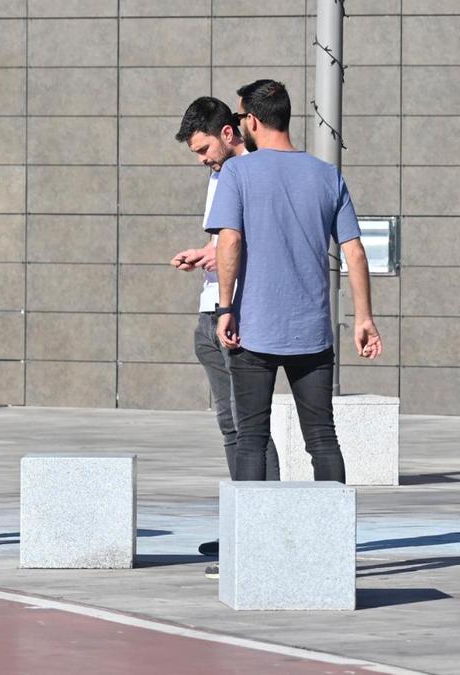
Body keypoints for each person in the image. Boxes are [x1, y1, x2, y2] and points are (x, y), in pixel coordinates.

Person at [208, 79, 382, 487]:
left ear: (251, 120)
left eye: (239, 117)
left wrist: (225, 307)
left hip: (254, 329)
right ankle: (330, 541)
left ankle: (251, 542)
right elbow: (354, 251)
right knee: (322, 438)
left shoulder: (237, 172)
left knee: (250, 439)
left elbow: (229, 240)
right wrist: (364, 318)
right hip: (312, 333)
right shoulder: (326, 176)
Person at [170, 96, 280, 567]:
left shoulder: (254, 172)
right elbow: (223, 241)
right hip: (212, 310)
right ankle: (242, 525)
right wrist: (205, 253)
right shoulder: (220, 176)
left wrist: (221, 260)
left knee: (250, 426)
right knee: (231, 426)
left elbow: (259, 240)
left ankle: (266, 529)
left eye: (203, 149)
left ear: (229, 132)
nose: (201, 160)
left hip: (237, 313)